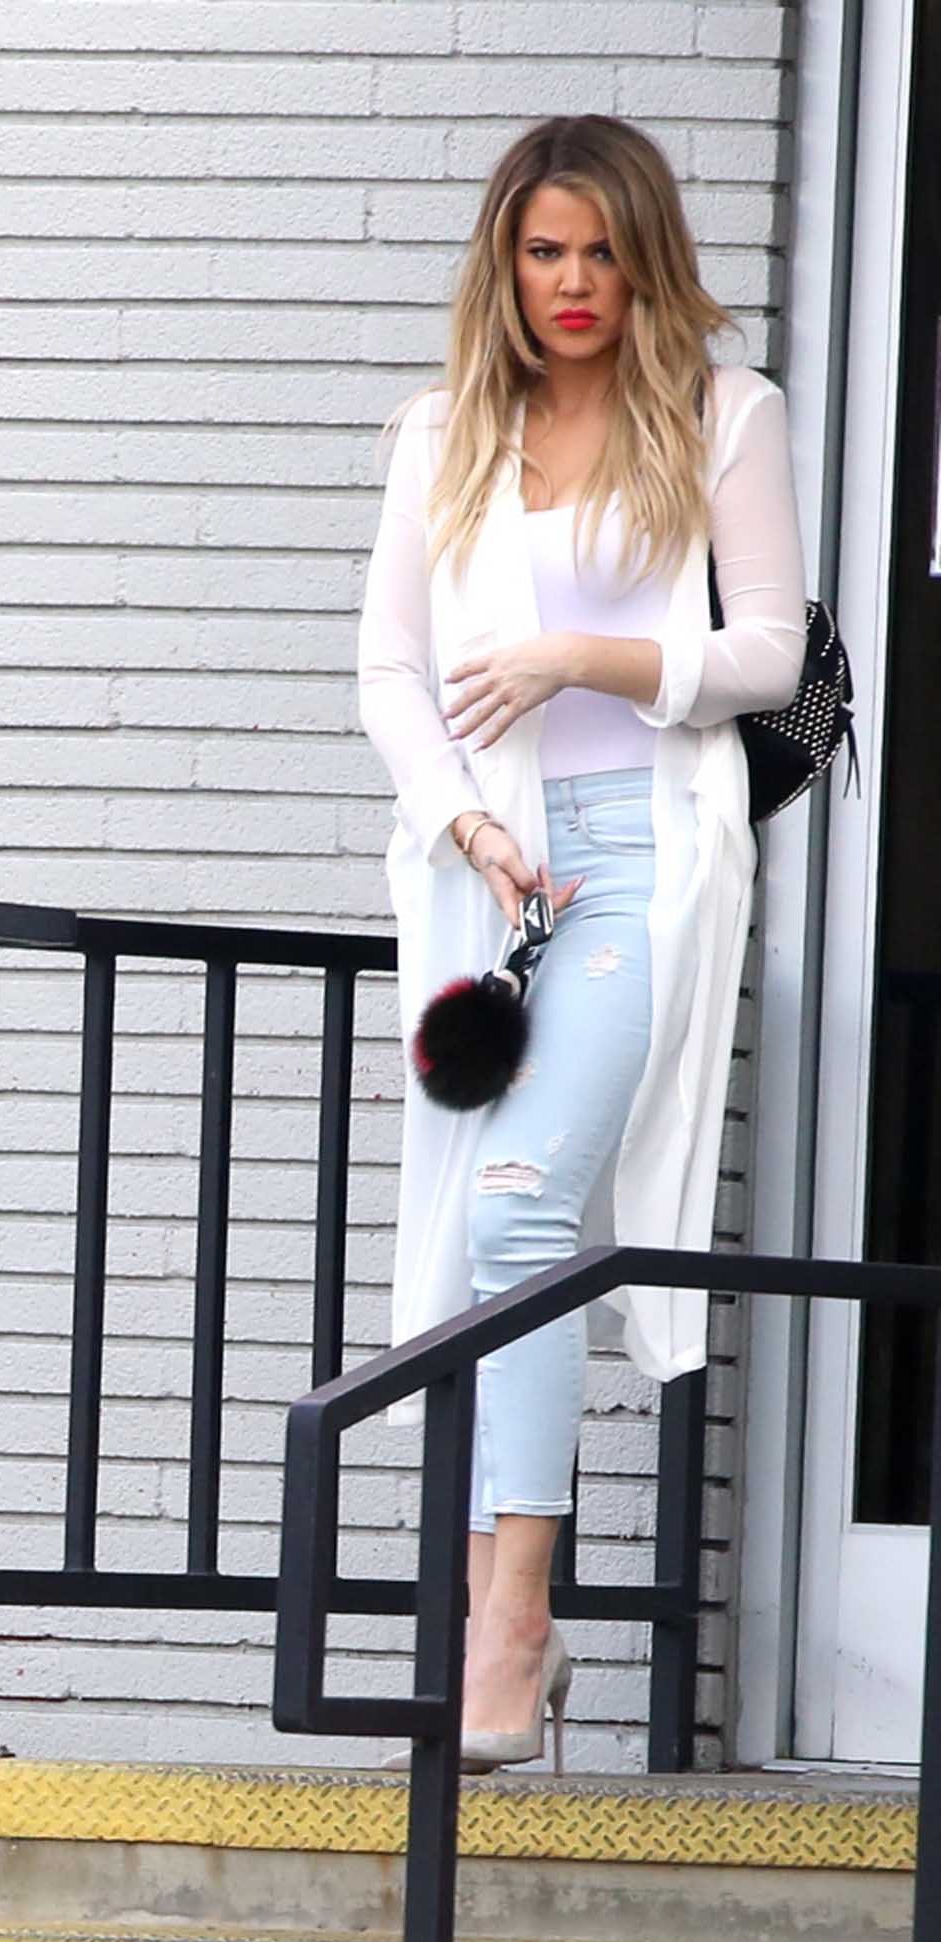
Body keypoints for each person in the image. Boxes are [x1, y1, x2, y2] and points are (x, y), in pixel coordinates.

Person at [358, 115, 805, 1770]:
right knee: (488, 1225)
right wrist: (461, 819)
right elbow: (390, 672)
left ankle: (512, 1617)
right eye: (543, 252)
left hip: (639, 868)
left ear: (644, 259)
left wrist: (573, 653)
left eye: (600, 252)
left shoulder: (722, 414)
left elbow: (766, 651)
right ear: (507, 262)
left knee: (528, 1204)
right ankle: (497, 1604)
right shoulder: (443, 429)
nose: (570, 284)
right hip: (491, 872)